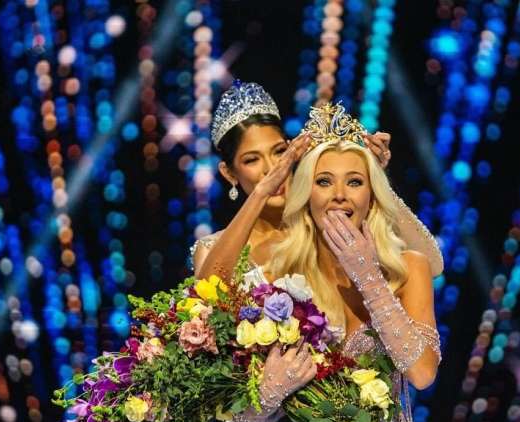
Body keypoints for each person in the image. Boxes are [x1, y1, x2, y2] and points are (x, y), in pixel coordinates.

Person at [173, 103, 469, 422]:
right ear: (307, 193)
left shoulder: (407, 267)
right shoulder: (278, 274)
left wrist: (369, 278)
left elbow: (423, 374)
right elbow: (207, 299)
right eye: (324, 182)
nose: (340, 196)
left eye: (355, 182)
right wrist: (268, 392)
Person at [190, 81, 444, 281]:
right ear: (229, 173)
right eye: (252, 160)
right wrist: (261, 192)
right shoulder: (212, 248)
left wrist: (377, 179)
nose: (272, 169)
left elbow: (432, 265)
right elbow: (206, 296)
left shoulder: (327, 221)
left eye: (279, 152)